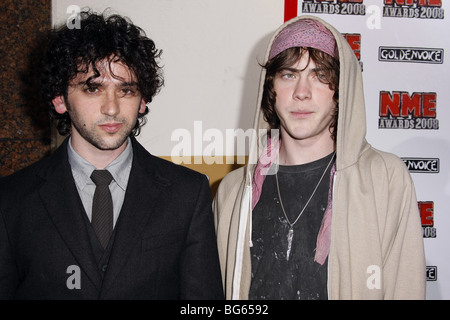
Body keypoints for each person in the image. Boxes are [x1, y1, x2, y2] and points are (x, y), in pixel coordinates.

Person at [0, 9, 224, 300]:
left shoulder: (186, 193)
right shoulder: (11, 200)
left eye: (126, 90)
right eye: (93, 88)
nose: (112, 108)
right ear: (59, 99)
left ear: (143, 100)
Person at [213, 15, 426, 300]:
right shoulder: (233, 191)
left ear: (341, 91)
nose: (302, 92)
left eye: (320, 75)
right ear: (271, 89)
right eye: (289, 74)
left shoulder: (384, 179)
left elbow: (406, 289)